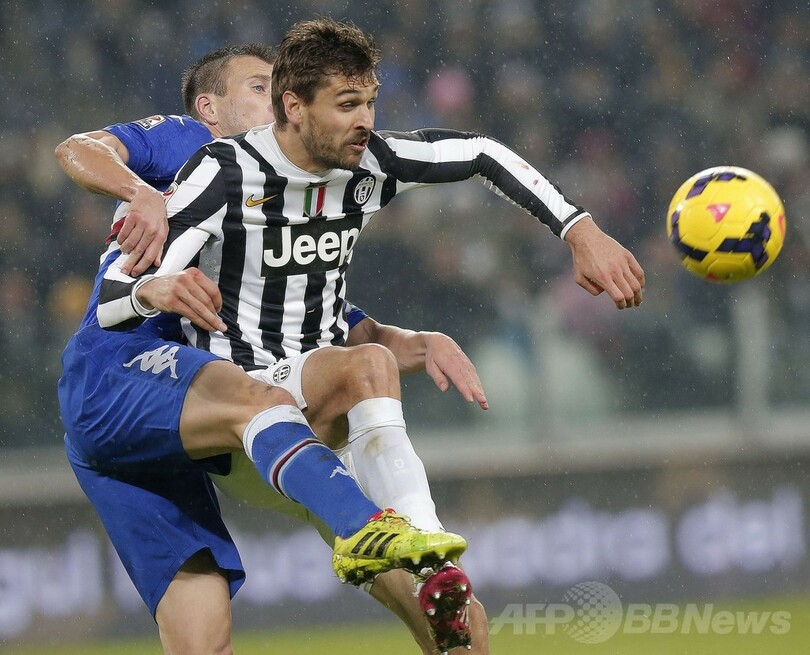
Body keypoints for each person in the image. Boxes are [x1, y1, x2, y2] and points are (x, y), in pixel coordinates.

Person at [55, 44, 472, 655]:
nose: (277, 99)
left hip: (175, 421)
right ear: (209, 109)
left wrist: (418, 342)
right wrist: (140, 192)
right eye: (259, 86)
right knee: (261, 402)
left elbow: (330, 320)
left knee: (203, 642)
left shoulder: (281, 200)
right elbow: (76, 148)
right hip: (116, 370)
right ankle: (365, 528)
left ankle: (421, 588)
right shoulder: (191, 144)